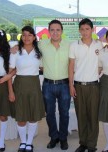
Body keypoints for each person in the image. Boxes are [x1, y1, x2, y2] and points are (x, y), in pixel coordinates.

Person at [69, 18, 103, 152]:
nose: (85, 32)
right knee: (81, 115)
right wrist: (71, 85)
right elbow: (71, 66)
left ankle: (91, 145)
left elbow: (102, 63)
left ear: (92, 30)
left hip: (94, 86)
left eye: (87, 29)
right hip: (78, 86)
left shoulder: (98, 45)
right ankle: (83, 143)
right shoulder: (74, 45)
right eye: (82, 29)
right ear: (79, 30)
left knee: (93, 117)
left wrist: (96, 71)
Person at [9, 26, 45, 152]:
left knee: (33, 116)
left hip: (34, 85)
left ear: (34, 37)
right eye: (24, 35)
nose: (27, 37)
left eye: (30, 35)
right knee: (21, 116)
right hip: (19, 85)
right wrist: (10, 91)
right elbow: (10, 73)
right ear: (21, 37)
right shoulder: (16, 52)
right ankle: (23, 142)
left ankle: (29, 143)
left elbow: (44, 68)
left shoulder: (39, 52)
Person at [39, 19, 70, 150]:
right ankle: (54, 137)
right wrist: (16, 47)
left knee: (64, 113)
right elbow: (27, 45)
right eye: (52, 30)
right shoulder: (42, 44)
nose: (55, 32)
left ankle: (63, 138)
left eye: (58, 30)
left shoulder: (69, 45)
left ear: (62, 31)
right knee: (50, 113)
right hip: (48, 85)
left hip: (64, 85)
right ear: (49, 31)